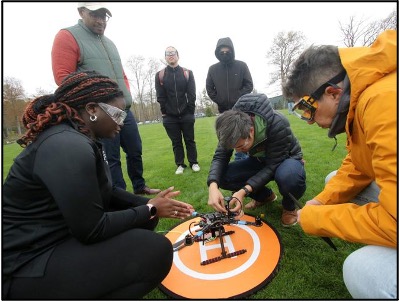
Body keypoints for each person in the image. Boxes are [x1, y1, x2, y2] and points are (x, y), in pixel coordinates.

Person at [2, 71, 195, 300]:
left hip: (56, 239)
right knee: (156, 249)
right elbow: (91, 230)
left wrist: (150, 204)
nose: (122, 122)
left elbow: (107, 191)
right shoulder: (66, 145)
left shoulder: (81, 138)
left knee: (145, 220)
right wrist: (150, 209)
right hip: (26, 264)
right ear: (92, 109)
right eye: (117, 114)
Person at [282, 30, 397, 299]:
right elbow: (357, 166)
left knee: (359, 269)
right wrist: (320, 202)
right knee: (333, 178)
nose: (309, 120)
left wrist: (319, 219)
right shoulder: (367, 95)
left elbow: (395, 222)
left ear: (334, 93)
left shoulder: (383, 103)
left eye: (307, 109)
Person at [51, 2, 160, 195]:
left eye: (104, 16)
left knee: (135, 150)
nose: (100, 20)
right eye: (95, 14)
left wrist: (126, 94)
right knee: (111, 157)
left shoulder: (109, 43)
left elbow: (121, 74)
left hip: (124, 109)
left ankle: (139, 186)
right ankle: (119, 194)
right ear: (81, 12)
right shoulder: (67, 36)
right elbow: (63, 78)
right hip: (101, 113)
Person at [207, 93, 306, 227]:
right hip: (260, 160)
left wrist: (243, 191)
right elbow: (220, 156)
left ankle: (289, 208)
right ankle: (265, 197)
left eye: (241, 146)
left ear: (251, 131)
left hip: (285, 159)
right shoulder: (230, 126)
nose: (237, 151)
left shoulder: (277, 123)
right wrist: (213, 186)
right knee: (223, 176)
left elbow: (273, 165)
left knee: (288, 177)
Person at [206, 37, 254, 161]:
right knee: (225, 139)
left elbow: (249, 85)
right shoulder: (212, 69)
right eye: (222, 52)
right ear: (217, 53)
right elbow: (210, 89)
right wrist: (220, 100)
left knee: (242, 136)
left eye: (227, 51)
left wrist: (238, 98)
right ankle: (223, 164)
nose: (225, 54)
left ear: (232, 51)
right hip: (224, 111)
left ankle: (243, 161)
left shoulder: (242, 66)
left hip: (241, 110)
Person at [155, 46, 200, 175]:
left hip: (186, 114)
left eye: (173, 53)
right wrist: (164, 112)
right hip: (169, 116)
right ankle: (180, 164)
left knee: (190, 140)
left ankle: (194, 162)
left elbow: (192, 94)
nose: (171, 55)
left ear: (178, 56)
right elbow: (160, 96)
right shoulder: (160, 75)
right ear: (165, 57)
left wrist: (190, 111)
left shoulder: (187, 73)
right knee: (176, 142)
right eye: (168, 54)